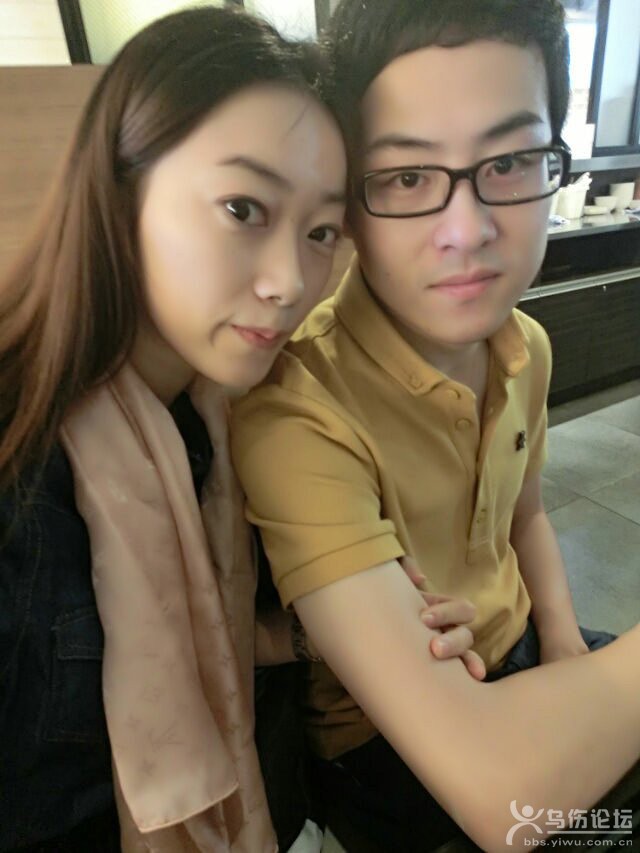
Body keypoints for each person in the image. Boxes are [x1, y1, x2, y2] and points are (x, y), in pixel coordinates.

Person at [0, 7, 484, 851]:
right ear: (119, 189)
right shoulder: (22, 471)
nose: (290, 281)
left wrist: (340, 626)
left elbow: (197, 632)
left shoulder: (229, 417)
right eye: (242, 207)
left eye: (320, 231)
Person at [231, 1, 640, 849]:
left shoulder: (525, 343)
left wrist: (565, 643)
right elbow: (498, 799)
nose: (467, 231)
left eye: (510, 161)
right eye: (408, 177)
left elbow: (524, 517)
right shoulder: (297, 408)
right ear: (349, 202)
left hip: (521, 649)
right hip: (390, 743)